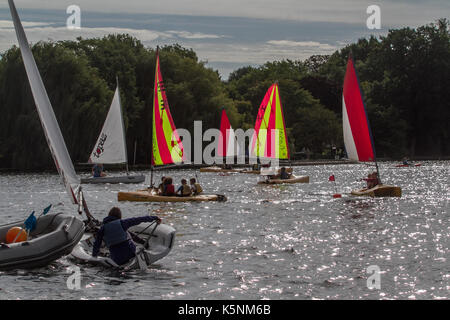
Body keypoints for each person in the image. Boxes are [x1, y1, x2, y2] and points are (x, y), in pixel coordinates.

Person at [92, 207, 161, 266]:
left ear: (109, 215)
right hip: (131, 254)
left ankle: (142, 242)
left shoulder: (102, 229)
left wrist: (94, 256)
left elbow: (97, 244)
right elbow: (139, 219)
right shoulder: (122, 223)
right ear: (119, 216)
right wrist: (154, 218)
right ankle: (143, 243)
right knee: (127, 233)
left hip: (117, 259)